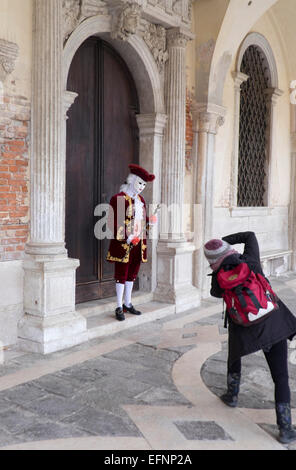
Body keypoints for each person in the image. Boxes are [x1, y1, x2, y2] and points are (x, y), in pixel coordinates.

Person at [204, 231, 296, 444]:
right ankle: (285, 428)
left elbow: (215, 294)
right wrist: (226, 241)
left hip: (243, 328)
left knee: (234, 355)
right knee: (280, 376)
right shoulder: (250, 261)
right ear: (228, 250)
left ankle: (232, 395)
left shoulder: (218, 277)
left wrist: (218, 269)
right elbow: (250, 235)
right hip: (273, 322)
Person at [107, 164, 157, 322]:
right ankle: (118, 306)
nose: (142, 187)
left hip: (139, 242)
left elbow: (140, 221)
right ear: (132, 180)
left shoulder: (140, 200)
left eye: (144, 184)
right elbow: (113, 223)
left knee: (132, 273)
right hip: (124, 243)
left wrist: (150, 221)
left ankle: (128, 303)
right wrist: (128, 237)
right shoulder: (119, 198)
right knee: (121, 274)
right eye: (139, 183)